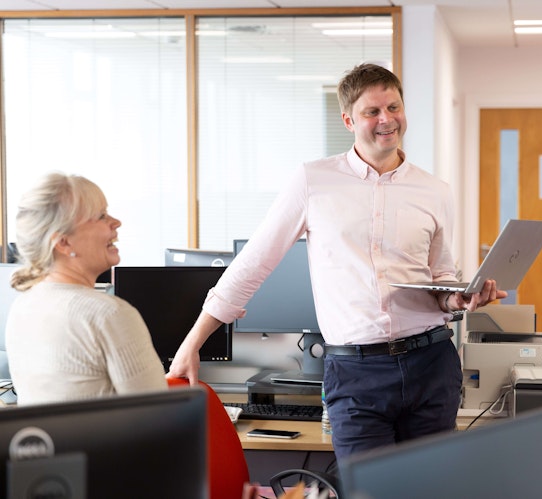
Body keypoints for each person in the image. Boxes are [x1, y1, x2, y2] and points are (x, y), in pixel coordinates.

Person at [167, 63, 503, 459]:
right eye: (372, 112)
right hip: (356, 372)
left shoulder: (434, 191)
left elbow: (440, 276)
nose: (387, 120)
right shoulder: (313, 181)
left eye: (393, 107)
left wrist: (458, 298)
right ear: (348, 119)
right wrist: (192, 343)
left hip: (431, 363)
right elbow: (252, 264)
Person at [5, 172, 167, 405]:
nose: (116, 222)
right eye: (101, 216)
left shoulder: (23, 305)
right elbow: (160, 421)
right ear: (63, 242)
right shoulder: (108, 314)